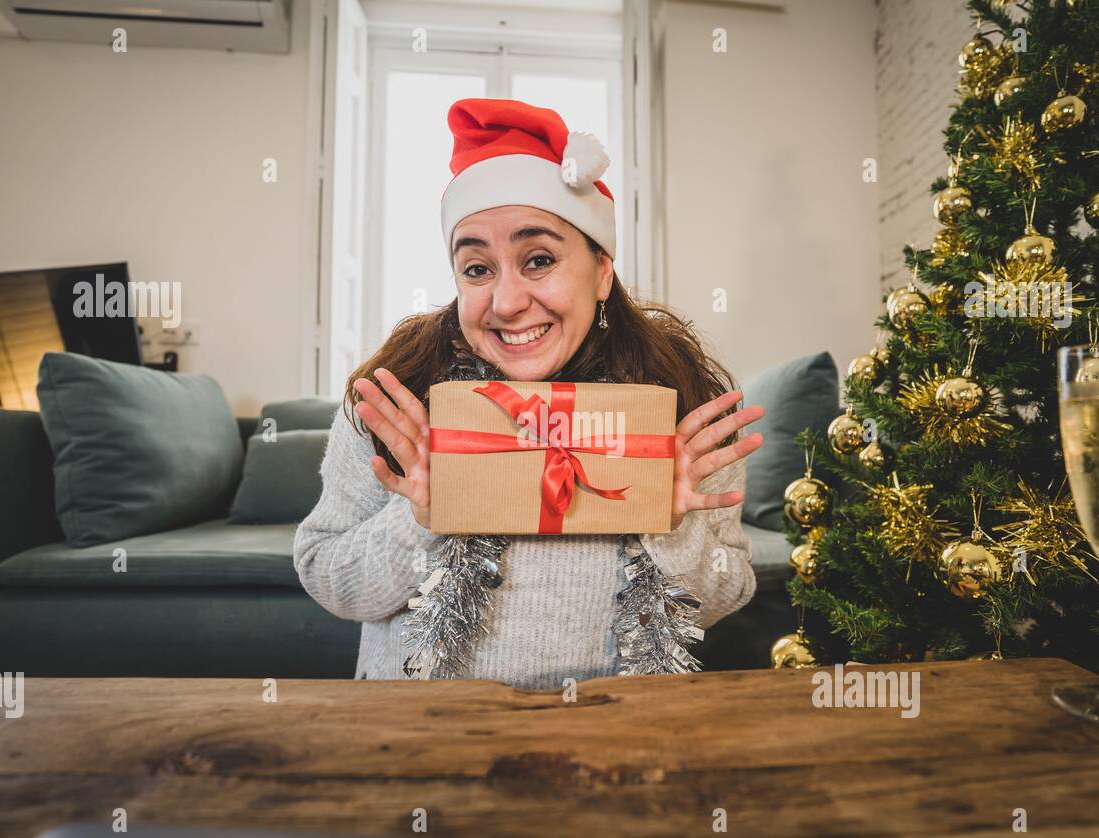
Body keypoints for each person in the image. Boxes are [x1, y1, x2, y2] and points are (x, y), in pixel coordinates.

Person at [295, 98, 764, 689]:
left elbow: (730, 590)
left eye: (538, 259)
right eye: (477, 269)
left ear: (601, 272)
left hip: (612, 737)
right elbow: (326, 576)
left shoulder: (680, 402)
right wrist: (418, 519)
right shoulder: (395, 398)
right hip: (423, 736)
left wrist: (664, 520)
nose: (507, 301)